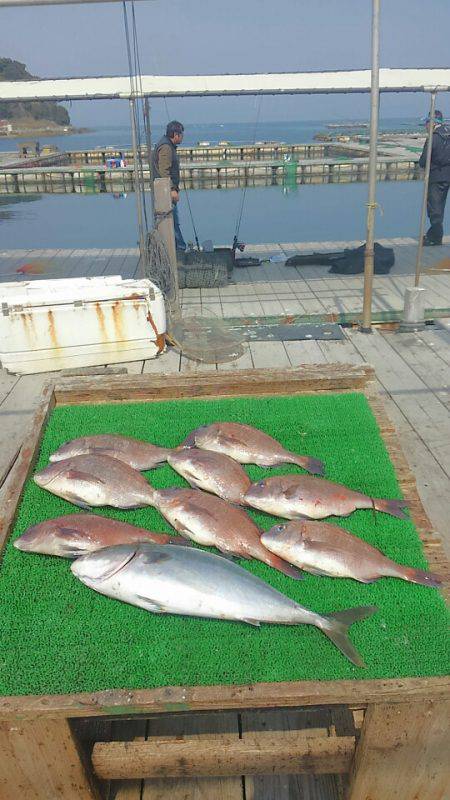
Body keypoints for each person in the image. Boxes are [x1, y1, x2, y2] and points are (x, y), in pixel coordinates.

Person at [152, 120, 186, 252]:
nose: (182, 136)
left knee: (173, 221)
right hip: (166, 193)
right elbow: (164, 171)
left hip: (166, 191)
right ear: (175, 134)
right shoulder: (166, 148)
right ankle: (179, 249)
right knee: (172, 221)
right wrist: (172, 190)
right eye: (181, 134)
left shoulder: (167, 145)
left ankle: (178, 247)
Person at [419, 109, 450, 246]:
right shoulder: (448, 134)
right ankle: (435, 234)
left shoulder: (434, 137)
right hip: (447, 174)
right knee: (440, 206)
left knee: (434, 207)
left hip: (436, 175)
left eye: (426, 122)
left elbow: (424, 159)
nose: (425, 125)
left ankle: (435, 237)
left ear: (432, 123)